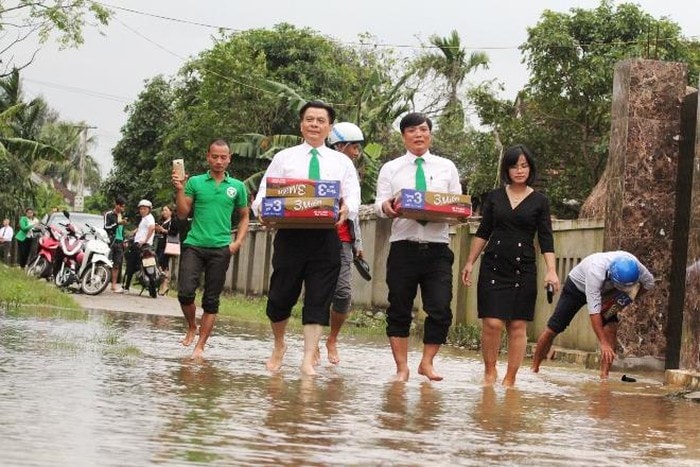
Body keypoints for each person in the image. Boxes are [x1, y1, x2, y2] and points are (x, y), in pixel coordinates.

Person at [251, 101, 361, 376]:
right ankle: (279, 345)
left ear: (329, 127)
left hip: (326, 237)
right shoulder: (284, 158)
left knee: (319, 298)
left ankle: (308, 357)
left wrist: (347, 209)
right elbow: (265, 194)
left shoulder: (341, 162)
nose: (314, 124)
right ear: (301, 124)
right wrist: (261, 211)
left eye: (320, 120)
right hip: (290, 236)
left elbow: (353, 197)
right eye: (309, 119)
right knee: (280, 295)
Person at [461, 144, 559, 388]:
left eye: (524, 166)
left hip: (523, 268)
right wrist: (470, 262)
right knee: (492, 323)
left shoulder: (540, 201)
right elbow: (484, 231)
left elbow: (546, 238)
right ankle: (490, 372)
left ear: (530, 169)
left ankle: (510, 379)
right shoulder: (494, 197)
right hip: (494, 264)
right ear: (507, 169)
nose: (519, 170)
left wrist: (551, 270)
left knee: (517, 325)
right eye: (514, 165)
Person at [374, 112, 462, 382]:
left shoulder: (447, 166)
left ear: (430, 133)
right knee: (399, 307)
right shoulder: (391, 168)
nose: (418, 134)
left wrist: (461, 211)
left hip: (438, 248)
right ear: (404, 136)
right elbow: (379, 204)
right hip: (403, 246)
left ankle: (427, 362)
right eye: (412, 130)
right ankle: (402, 368)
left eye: (423, 129)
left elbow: (457, 202)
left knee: (440, 308)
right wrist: (387, 207)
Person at [173, 138, 250, 360]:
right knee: (185, 293)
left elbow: (245, 216)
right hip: (194, 244)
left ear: (229, 159)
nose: (218, 161)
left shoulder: (237, 187)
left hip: (221, 248)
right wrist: (179, 189)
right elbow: (182, 213)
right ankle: (191, 325)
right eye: (214, 156)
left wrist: (237, 242)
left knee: (211, 300)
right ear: (208, 157)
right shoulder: (195, 182)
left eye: (223, 157)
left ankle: (201, 345)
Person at [531, 251, 655, 379]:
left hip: (609, 294)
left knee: (611, 328)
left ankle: (604, 376)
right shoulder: (596, 272)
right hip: (577, 287)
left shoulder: (637, 266)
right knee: (554, 327)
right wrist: (603, 343)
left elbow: (649, 283)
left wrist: (626, 299)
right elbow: (594, 312)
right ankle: (534, 369)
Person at [324, 121, 366, 364]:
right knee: (318, 293)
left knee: (343, 294)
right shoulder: (322, 166)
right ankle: (314, 342)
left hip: (344, 241)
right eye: (354, 147)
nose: (357, 153)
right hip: (319, 237)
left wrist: (358, 243)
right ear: (340, 146)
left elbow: (354, 210)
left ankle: (332, 339)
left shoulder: (350, 172)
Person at [122, 199, 156, 294]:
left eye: (144, 209)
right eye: (141, 209)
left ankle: (126, 287)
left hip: (141, 245)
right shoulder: (145, 219)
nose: (142, 210)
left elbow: (152, 228)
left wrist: (145, 240)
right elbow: (143, 228)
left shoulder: (149, 218)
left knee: (130, 265)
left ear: (149, 209)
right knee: (142, 266)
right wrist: (134, 231)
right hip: (143, 244)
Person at [104, 195, 128, 293]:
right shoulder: (109, 214)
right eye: (121, 206)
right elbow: (106, 227)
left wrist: (124, 240)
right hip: (110, 241)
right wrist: (118, 224)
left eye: (123, 207)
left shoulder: (122, 215)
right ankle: (103, 280)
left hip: (119, 242)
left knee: (117, 264)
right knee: (106, 262)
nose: (122, 208)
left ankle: (113, 284)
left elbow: (122, 230)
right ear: (116, 205)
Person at [154, 204, 179, 295]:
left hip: (167, 245)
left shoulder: (173, 221)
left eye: (166, 210)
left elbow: (174, 232)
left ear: (171, 212)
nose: (163, 212)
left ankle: (164, 285)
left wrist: (164, 230)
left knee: (162, 264)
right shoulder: (163, 221)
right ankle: (163, 286)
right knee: (163, 265)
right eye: (163, 210)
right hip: (160, 244)